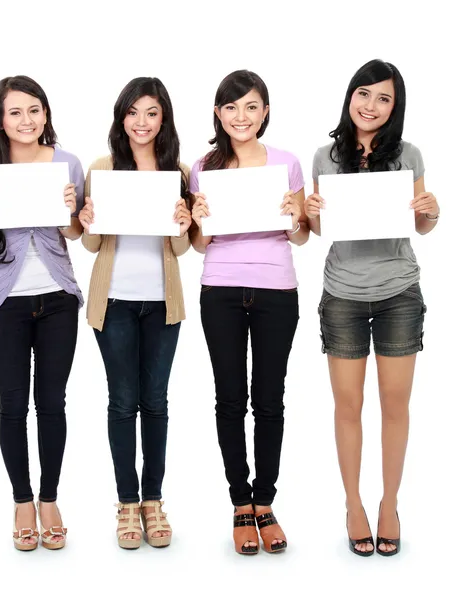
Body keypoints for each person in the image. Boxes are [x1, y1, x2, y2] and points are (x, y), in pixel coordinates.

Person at [304, 59, 439, 557]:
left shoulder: (408, 155)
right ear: (350, 96)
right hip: (342, 292)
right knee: (348, 405)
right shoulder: (325, 156)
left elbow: (420, 227)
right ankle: (354, 504)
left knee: (395, 403)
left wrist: (432, 212)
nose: (372, 105)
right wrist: (311, 213)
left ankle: (389, 504)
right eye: (365, 94)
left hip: (399, 291)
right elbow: (321, 233)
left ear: (394, 107)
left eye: (384, 98)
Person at [0, 75, 85, 551]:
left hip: (57, 299)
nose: (26, 120)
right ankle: (22, 501)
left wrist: (73, 212)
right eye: (15, 112)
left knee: (52, 402)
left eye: (34, 109)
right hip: (3, 303)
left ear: (46, 114)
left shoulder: (67, 163)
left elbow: (76, 234)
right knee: (12, 403)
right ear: (0, 120)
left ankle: (50, 499)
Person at [190, 69, 309, 554]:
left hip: (276, 289)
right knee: (229, 399)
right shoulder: (203, 166)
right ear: (219, 114)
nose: (242, 116)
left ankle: (266, 501)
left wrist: (296, 215)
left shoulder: (287, 164)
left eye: (252, 106)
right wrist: (199, 222)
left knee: (270, 399)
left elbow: (301, 235)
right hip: (219, 288)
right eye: (232, 107)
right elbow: (199, 245)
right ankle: (240, 502)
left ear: (265, 112)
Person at [78, 77, 192, 549]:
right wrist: (86, 221)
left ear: (163, 119)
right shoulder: (103, 168)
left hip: (163, 303)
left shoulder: (178, 170)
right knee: (123, 402)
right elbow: (90, 244)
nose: (141, 122)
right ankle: (127, 503)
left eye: (151, 113)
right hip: (116, 300)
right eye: (133, 112)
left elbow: (182, 248)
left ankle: (154, 501)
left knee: (157, 401)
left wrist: (184, 223)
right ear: (120, 117)